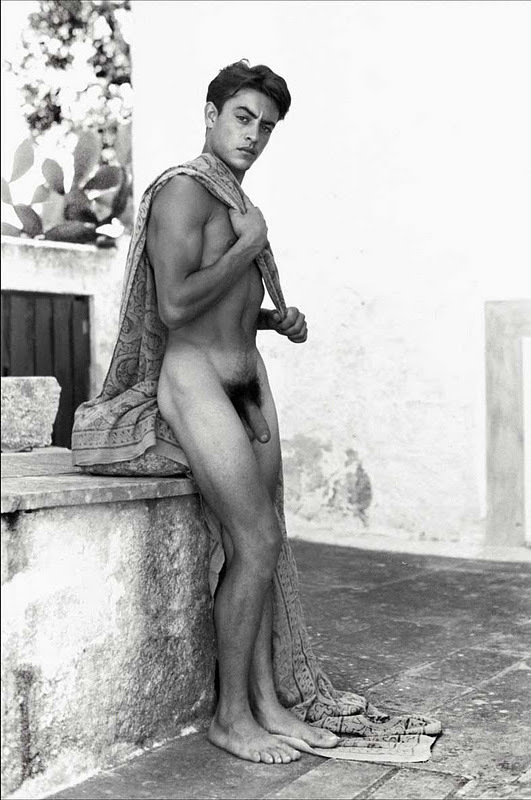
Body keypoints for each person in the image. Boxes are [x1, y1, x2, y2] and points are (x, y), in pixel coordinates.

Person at [72, 60, 441, 768]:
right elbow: (175, 305)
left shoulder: (234, 199)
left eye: (266, 127)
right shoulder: (185, 191)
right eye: (243, 118)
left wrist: (273, 319)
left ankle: (268, 703)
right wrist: (248, 243)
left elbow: (224, 304)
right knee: (255, 540)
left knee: (264, 543)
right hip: (195, 382)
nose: (254, 135)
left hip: (246, 379)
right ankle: (230, 718)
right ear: (211, 115)